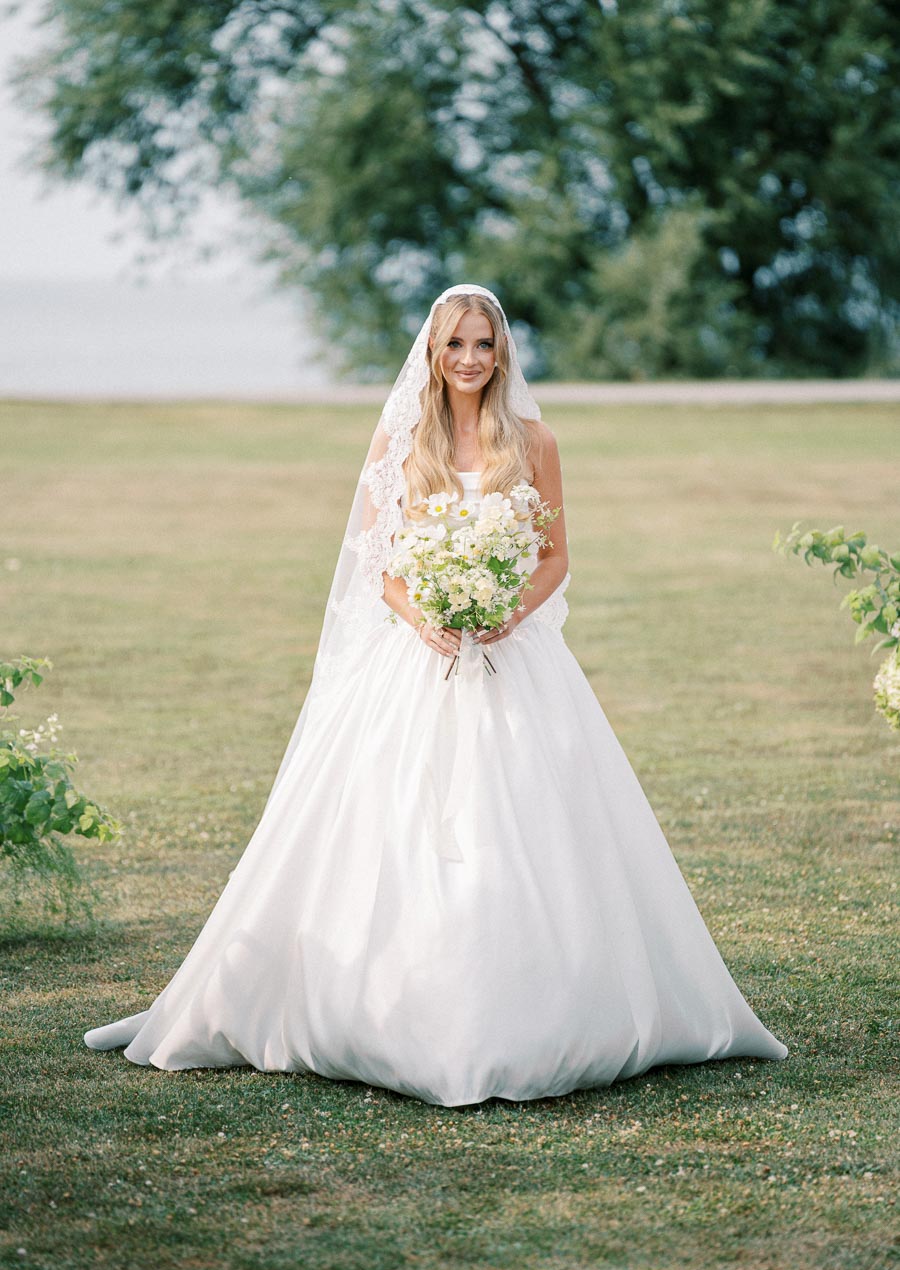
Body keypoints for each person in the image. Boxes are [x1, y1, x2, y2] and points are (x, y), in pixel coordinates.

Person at [84, 283, 788, 1107]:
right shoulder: (400, 440)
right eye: (455, 343)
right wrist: (429, 619)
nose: (469, 359)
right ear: (432, 350)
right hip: (415, 660)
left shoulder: (533, 440)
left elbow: (555, 557)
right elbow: (377, 563)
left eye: (483, 344)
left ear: (502, 354)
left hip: (510, 655)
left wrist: (501, 613)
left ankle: (541, 1005)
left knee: (531, 826)